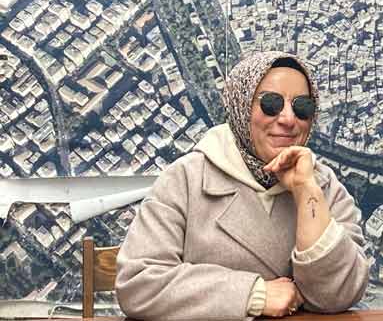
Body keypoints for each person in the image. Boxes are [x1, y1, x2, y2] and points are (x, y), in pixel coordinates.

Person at [116, 51, 369, 319]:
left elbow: (341, 293)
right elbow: (138, 283)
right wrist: (252, 294)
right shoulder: (186, 179)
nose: (287, 119)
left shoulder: (323, 186)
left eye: (302, 107)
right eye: (271, 104)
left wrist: (306, 190)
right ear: (241, 107)